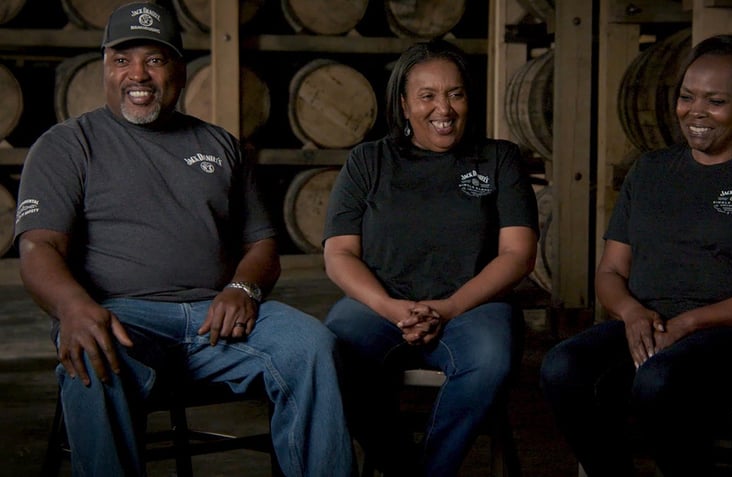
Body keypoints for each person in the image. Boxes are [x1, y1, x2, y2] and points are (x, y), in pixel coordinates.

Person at [14, 3, 353, 476]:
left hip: (220, 321)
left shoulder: (221, 145)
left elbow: (262, 246)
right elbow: (38, 247)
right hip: (122, 316)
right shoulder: (68, 145)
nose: (139, 74)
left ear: (178, 68)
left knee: (312, 345)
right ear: (104, 68)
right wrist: (72, 307)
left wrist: (242, 289)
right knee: (92, 355)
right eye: (122, 60)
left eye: (154, 59)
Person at [540, 33, 732, 477]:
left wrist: (694, 321)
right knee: (562, 367)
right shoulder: (650, 170)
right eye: (687, 97)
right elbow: (611, 271)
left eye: (715, 101)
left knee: (659, 382)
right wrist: (632, 312)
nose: (695, 111)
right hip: (649, 324)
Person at [321, 39, 539, 477]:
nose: (444, 108)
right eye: (428, 96)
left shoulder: (499, 159)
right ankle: (401, 467)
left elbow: (518, 254)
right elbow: (339, 253)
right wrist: (388, 307)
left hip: (474, 307)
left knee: (490, 359)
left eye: (455, 93)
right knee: (330, 354)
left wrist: (450, 307)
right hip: (382, 305)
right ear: (403, 104)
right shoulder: (369, 161)